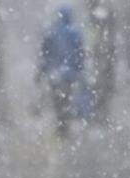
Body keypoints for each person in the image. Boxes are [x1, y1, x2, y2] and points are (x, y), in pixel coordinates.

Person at [37, 6, 85, 137]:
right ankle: (65, 123)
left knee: (57, 99)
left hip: (55, 74)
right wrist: (79, 69)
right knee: (67, 99)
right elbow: (80, 54)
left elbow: (45, 54)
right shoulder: (75, 33)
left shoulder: (51, 32)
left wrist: (42, 71)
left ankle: (60, 124)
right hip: (69, 75)